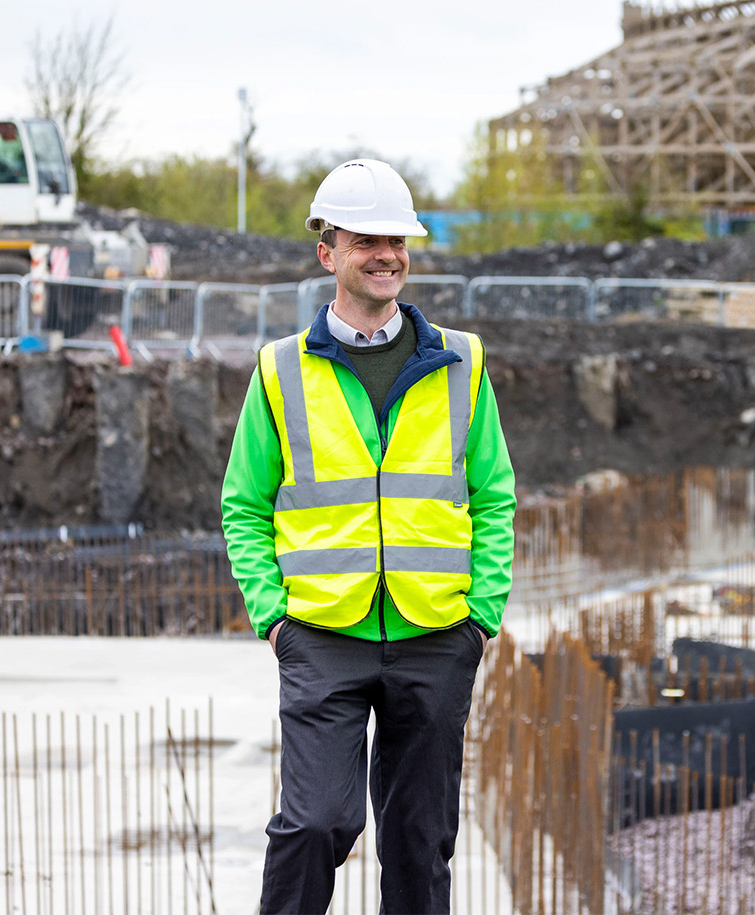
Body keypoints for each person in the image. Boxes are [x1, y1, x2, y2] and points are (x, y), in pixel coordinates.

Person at [221, 158, 517, 914]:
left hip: (435, 631)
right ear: (329, 253)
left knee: (419, 841)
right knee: (318, 820)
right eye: (367, 240)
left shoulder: (462, 362)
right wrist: (274, 614)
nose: (388, 254)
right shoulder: (280, 370)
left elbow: (494, 495)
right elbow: (244, 504)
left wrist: (479, 618)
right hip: (321, 630)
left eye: (399, 239)